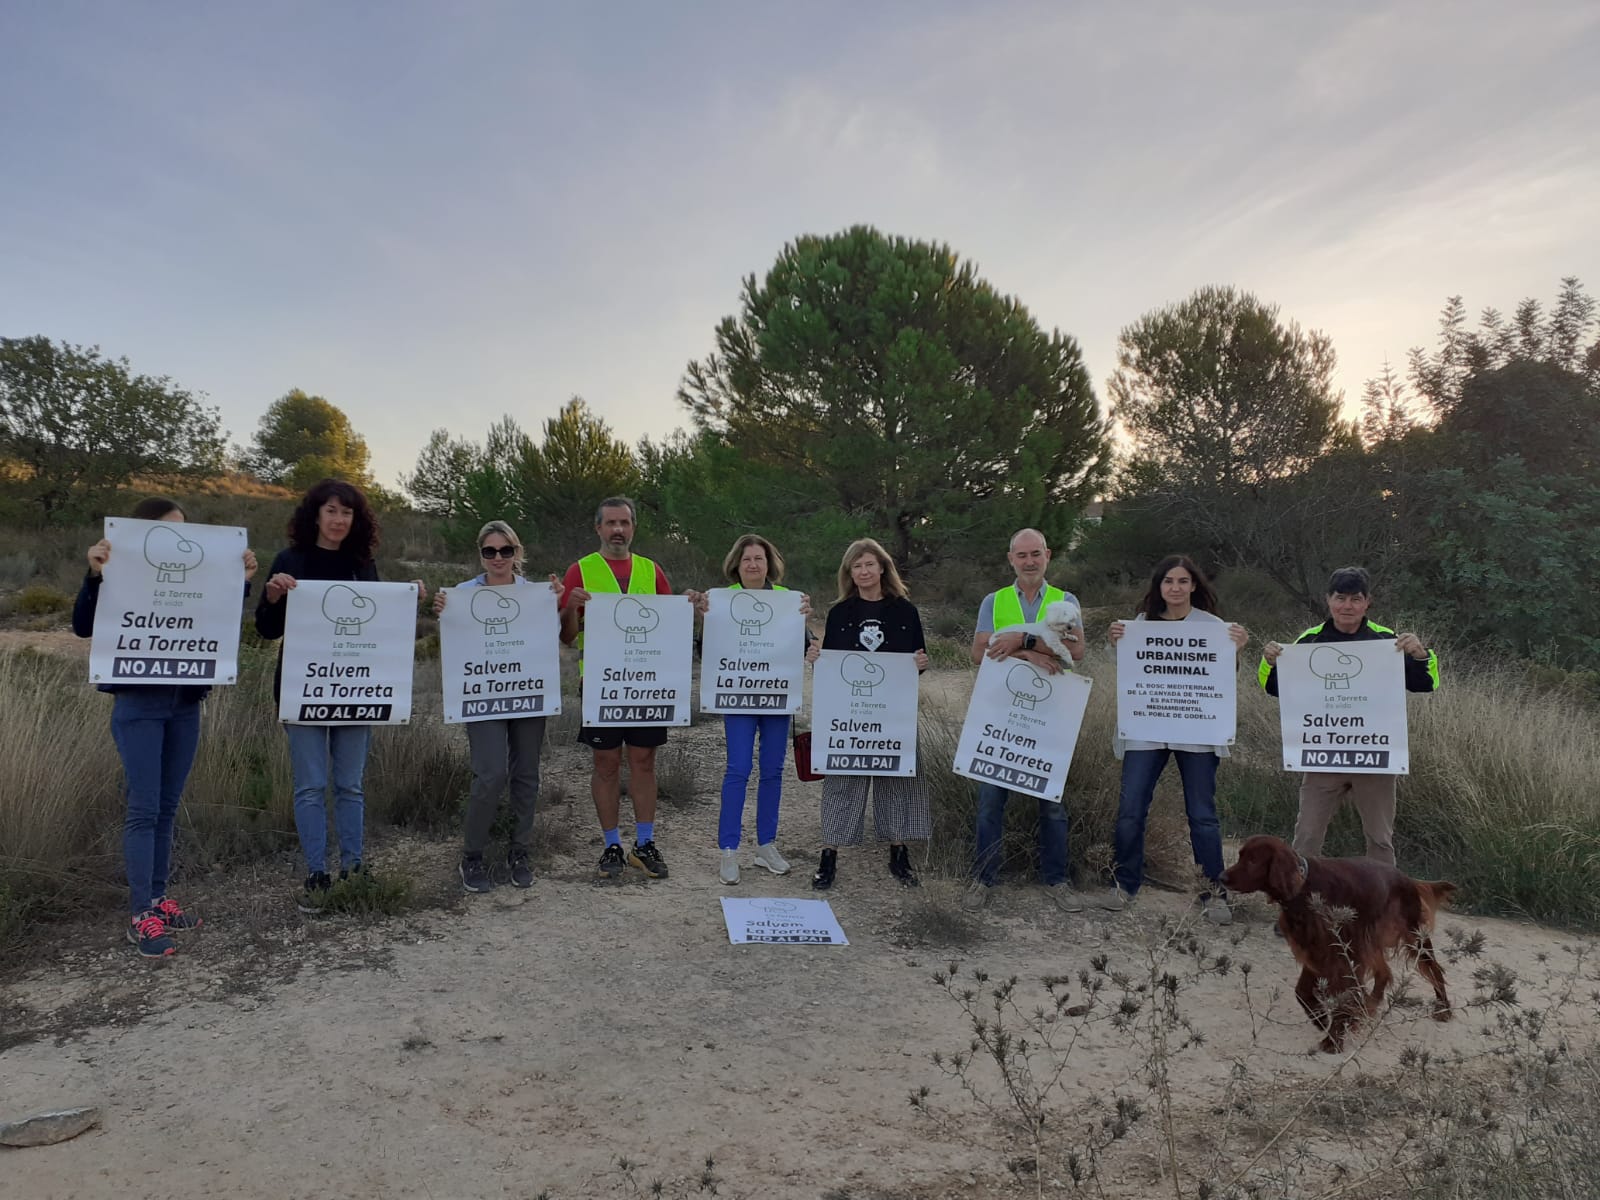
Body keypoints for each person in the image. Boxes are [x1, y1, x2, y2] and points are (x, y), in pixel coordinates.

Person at [73, 497, 257, 957]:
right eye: (169, 530)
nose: (180, 539)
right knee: (144, 807)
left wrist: (242, 580)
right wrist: (95, 574)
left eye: (185, 531)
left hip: (184, 703)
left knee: (168, 807)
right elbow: (82, 626)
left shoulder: (194, 576)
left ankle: (157, 899)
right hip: (138, 703)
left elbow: (214, 617)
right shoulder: (114, 566)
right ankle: (141, 916)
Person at [255, 479, 414, 913]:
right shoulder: (291, 560)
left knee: (350, 785)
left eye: (347, 512)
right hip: (302, 692)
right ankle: (316, 873)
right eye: (331, 510)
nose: (339, 519)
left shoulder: (362, 564)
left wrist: (407, 600)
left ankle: (355, 868)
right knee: (310, 786)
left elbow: (381, 625)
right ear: (315, 514)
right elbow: (266, 629)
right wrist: (272, 596)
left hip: (355, 691)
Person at [559, 496, 702, 881]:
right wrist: (570, 607)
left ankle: (644, 843)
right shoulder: (580, 571)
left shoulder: (650, 571)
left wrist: (688, 603)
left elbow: (671, 625)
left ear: (633, 527)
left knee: (644, 762)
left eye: (624, 523)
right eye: (610, 523)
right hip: (602, 688)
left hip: (646, 687)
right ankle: (611, 845)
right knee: (605, 765)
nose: (618, 530)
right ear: (598, 528)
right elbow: (568, 639)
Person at [1259, 565, 1439, 867]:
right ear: (1328, 600)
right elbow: (1273, 689)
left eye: (1355, 599)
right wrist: (1270, 663)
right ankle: (1299, 902)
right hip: (1322, 755)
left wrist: (1421, 655)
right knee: (1306, 836)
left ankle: (1382, 905)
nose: (1347, 606)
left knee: (1380, 838)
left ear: (1367, 602)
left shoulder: (1388, 641)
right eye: (1340, 598)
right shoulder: (1308, 641)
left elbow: (1425, 684)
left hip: (1374, 757)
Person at [1105, 555, 1249, 924]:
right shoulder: (1141, 625)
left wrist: (1236, 649)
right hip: (1146, 729)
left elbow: (1223, 676)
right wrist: (1114, 641)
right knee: (1131, 809)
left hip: (1196, 732)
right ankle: (1125, 884)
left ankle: (1213, 893)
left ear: (1194, 586)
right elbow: (1126, 669)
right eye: (1168, 581)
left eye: (1183, 581)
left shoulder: (1213, 627)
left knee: (1202, 815)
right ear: (1159, 586)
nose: (1175, 588)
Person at [433, 520, 563, 894]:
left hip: (526, 695)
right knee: (489, 774)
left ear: (516, 553)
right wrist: (442, 611)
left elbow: (552, 638)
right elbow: (453, 642)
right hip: (482, 697)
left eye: (505, 550)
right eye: (489, 551)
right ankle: (472, 856)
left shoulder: (534, 593)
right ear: (480, 555)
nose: (498, 558)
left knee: (526, 775)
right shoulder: (461, 593)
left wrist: (556, 602)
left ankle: (519, 851)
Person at [962, 528, 1086, 912]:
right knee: (989, 800)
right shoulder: (993, 601)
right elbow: (979, 653)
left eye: (1036, 554)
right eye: (1022, 555)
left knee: (1050, 802)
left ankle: (1056, 879)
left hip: (1048, 716)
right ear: (1011, 558)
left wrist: (1024, 641)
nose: (1029, 561)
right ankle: (984, 879)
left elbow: (1077, 650)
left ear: (1047, 555)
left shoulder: (1065, 600)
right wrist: (1031, 655)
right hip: (1001, 712)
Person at [810, 537, 930, 891]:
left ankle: (898, 851)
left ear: (882, 568)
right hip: (849, 716)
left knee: (896, 781)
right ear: (850, 572)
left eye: (869, 564)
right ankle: (829, 854)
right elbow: (831, 669)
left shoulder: (904, 611)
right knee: (841, 783)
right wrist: (817, 660)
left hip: (892, 713)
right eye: (856, 566)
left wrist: (921, 664)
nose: (863, 571)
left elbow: (915, 662)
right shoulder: (840, 613)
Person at [695, 534, 813, 885]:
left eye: (759, 558)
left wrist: (807, 619)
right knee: (738, 768)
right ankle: (729, 850)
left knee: (773, 770)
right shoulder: (722, 600)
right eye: (746, 559)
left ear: (769, 563)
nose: (752, 564)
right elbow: (707, 651)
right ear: (736, 563)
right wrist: (704, 618)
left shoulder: (788, 600)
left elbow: (806, 647)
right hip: (739, 698)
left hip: (776, 698)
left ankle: (766, 846)